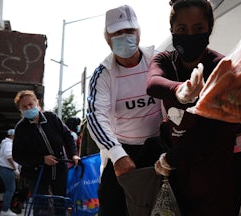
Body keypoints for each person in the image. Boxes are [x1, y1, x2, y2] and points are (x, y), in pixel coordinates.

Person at [147, 0, 241, 215]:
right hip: (181, 167)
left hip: (220, 167)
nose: (190, 35)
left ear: (209, 28)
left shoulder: (224, 68)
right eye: (182, 29)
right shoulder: (166, 60)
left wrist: (170, 159)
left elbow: (213, 133)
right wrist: (179, 90)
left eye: (198, 29)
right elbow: (153, 83)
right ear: (172, 30)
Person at [85, 4, 164, 216]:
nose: (125, 36)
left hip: (159, 148)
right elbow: (95, 116)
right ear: (107, 38)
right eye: (118, 32)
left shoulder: (158, 61)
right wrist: (117, 155)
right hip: (121, 149)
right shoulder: (103, 74)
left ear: (138, 33)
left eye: (129, 30)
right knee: (112, 207)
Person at [12, 90, 80, 200]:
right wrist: (42, 159)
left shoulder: (51, 117)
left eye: (30, 104)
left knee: (61, 203)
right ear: (20, 110)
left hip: (60, 171)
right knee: (41, 207)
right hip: (37, 174)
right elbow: (18, 156)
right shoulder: (21, 128)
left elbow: (67, 136)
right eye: (24, 107)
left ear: (37, 103)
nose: (28, 108)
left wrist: (73, 154)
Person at [0, 129, 20, 216]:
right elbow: (9, 156)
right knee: (10, 189)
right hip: (7, 169)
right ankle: (5, 210)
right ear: (12, 136)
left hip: (5, 169)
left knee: (9, 189)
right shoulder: (8, 144)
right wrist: (15, 169)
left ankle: (6, 209)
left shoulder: (6, 143)